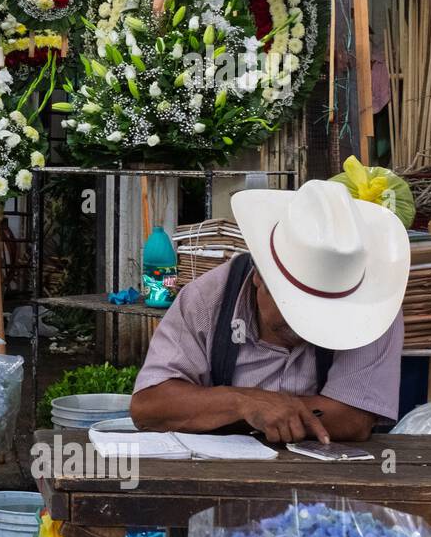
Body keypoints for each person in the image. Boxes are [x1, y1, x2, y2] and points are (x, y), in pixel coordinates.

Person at [131, 179, 409, 444]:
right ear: (259, 276)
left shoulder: (374, 309)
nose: (307, 325)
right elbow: (149, 407)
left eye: (325, 311)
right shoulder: (205, 299)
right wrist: (243, 403)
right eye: (296, 307)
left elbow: (353, 417)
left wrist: (233, 412)